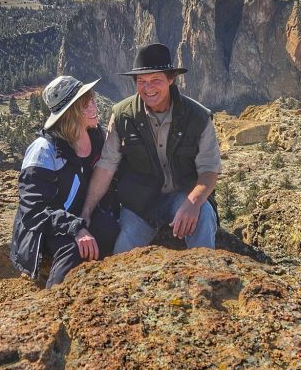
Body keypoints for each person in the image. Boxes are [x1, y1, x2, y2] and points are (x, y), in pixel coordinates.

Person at [81, 43, 221, 253]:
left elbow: (209, 170)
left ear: (171, 79)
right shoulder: (122, 116)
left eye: (155, 80)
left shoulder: (198, 117)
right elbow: (106, 167)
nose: (148, 88)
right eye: (141, 81)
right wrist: (86, 212)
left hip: (183, 195)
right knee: (122, 255)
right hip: (140, 204)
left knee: (204, 215)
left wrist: (193, 202)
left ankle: (207, 279)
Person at [10, 75, 118, 289]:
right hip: (45, 228)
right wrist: (75, 228)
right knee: (73, 248)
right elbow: (34, 210)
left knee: (110, 230)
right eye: (87, 104)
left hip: (79, 215)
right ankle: (53, 302)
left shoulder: (96, 137)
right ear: (73, 112)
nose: (95, 106)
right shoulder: (44, 150)